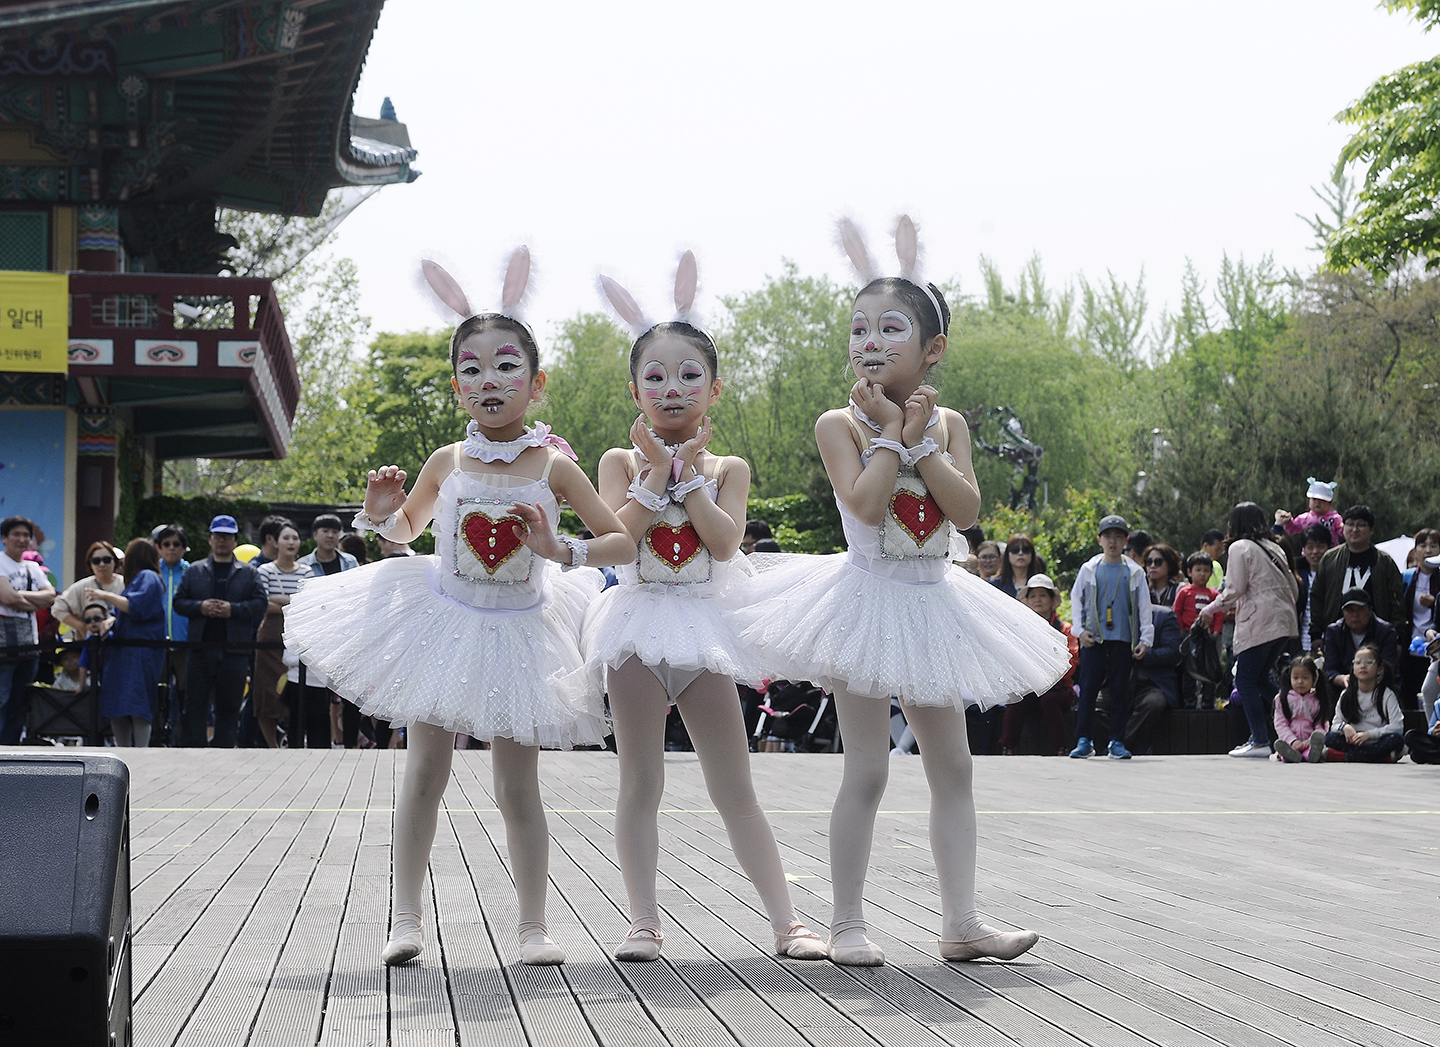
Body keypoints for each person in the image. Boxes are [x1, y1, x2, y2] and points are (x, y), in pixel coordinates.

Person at [284, 250, 636, 968]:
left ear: (536, 384)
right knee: (424, 772)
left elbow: (622, 540)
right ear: (456, 386)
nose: (489, 380)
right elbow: (406, 531)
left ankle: (534, 925)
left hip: (522, 631)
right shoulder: (447, 460)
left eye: (506, 365)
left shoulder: (555, 467)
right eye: (471, 369)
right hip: (443, 623)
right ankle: (406, 917)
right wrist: (380, 514)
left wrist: (559, 548)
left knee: (517, 785)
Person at [735, 217, 1069, 965]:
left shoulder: (948, 422)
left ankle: (962, 921)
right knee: (869, 766)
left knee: (954, 767)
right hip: (863, 603)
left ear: (933, 347)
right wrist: (887, 430)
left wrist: (921, 436)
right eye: (859, 329)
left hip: (936, 602)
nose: (871, 341)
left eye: (891, 327)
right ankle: (848, 921)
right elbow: (864, 503)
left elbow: (966, 511)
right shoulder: (838, 423)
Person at [586, 253, 827, 964]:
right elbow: (620, 537)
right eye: (655, 375)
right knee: (641, 781)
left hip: (704, 627)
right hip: (635, 624)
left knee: (733, 784)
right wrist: (656, 471)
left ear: (714, 388)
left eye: (689, 374)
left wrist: (688, 478)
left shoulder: (729, 470)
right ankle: (642, 922)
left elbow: (723, 544)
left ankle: (787, 923)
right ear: (634, 386)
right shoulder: (617, 462)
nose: (672, 387)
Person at [1199, 502, 1299, 758]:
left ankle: (1259, 740)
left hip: (1259, 621)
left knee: (1244, 679)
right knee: (1260, 679)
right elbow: (1293, 586)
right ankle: (1300, 719)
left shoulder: (1239, 547)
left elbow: (1234, 589)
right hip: (1284, 621)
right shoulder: (1274, 546)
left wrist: (1210, 610)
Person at [173, 514, 268, 747]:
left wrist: (232, 610)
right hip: (200, 648)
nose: (222, 541)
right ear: (210, 539)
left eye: (227, 537)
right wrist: (200, 607)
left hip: (234, 649)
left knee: (230, 704)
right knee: (195, 703)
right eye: (218, 536)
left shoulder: (248, 572)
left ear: (235, 541)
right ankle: (192, 748)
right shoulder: (195, 570)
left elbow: (260, 604)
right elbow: (179, 603)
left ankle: (225, 748)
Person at [1069, 514, 1154, 760]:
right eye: (1108, 537)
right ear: (1099, 540)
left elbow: (1143, 608)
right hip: (1093, 638)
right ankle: (1084, 739)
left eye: (1118, 537)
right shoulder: (1089, 569)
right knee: (1088, 690)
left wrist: (1145, 639)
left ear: (1126, 540)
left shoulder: (1135, 572)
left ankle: (1117, 740)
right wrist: (1080, 631)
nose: (1113, 542)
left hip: (1122, 638)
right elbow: (1077, 601)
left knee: (1120, 691)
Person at [85, 537, 166, 747]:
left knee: (137, 704)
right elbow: (121, 611)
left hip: (139, 653)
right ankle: (123, 750)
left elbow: (135, 606)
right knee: (116, 705)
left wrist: (104, 595)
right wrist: (108, 621)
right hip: (122, 652)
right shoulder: (139, 579)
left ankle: (140, 752)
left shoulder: (149, 577)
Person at [1308, 505, 1405, 653]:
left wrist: (1397, 636)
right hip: (1337, 634)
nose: (1355, 529)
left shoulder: (1384, 562)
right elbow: (1317, 596)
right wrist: (1316, 633)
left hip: (1376, 634)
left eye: (1361, 525)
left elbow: (1396, 600)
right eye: (1350, 524)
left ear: (1371, 530)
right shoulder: (1330, 559)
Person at [998, 574, 1077, 755]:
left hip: (1059, 689)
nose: (1037, 600)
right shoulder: (1020, 629)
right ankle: (1007, 747)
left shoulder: (1065, 628)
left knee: (1049, 700)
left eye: (1042, 595)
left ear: (1051, 600)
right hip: (1029, 688)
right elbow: (1013, 660)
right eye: (1033, 596)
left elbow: (1072, 662)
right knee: (1016, 700)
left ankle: (1062, 748)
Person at [1094, 602, 1183, 755]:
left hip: (1151, 684)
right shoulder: (1112, 617)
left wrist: (1144, 655)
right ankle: (1128, 746)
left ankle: (1119, 745)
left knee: (1154, 704)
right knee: (1092, 705)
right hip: (1118, 683)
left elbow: (1173, 653)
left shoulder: (1164, 615)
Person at [0, 516, 57, 744]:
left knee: (20, 700)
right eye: (16, 534)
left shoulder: (33, 567)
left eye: (26, 535)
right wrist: (34, 601)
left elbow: (51, 596)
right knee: (1, 698)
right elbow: (6, 597)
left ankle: (10, 748)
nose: (22, 540)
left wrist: (18, 598)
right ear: (4, 538)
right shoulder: (1, 561)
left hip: (30, 644)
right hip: (4, 645)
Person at [253, 521, 308, 748]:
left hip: (298, 636)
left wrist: (280, 600)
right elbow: (263, 604)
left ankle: (294, 742)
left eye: (295, 538)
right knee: (266, 694)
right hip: (270, 638)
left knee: (295, 694)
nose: (291, 542)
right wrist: (293, 601)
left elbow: (309, 603)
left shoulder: (307, 571)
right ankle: (272, 745)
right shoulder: (263, 570)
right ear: (275, 542)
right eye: (286, 538)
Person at [1321, 643, 1404, 762]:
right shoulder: (1346, 695)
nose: (1363, 666)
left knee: (1396, 740)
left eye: (1369, 662)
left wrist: (1369, 735)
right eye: (1358, 662)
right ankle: (1380, 758)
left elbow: (1397, 726)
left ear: (1379, 669)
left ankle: (1343, 756)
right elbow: (1335, 724)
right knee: (1330, 738)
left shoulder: (1386, 694)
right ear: (1353, 669)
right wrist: (1345, 727)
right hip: (1353, 742)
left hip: (1377, 741)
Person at [1320, 588, 1400, 691]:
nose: (1355, 615)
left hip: (1379, 687)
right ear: (1343, 612)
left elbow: (1389, 668)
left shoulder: (1386, 631)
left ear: (1370, 609)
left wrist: (1366, 681)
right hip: (1343, 689)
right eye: (1350, 610)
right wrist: (1343, 679)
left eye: (1360, 609)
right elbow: (1330, 669)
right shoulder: (1333, 631)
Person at [1399, 529, 1440, 706]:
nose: (1428, 550)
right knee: (1409, 692)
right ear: (1415, 551)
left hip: (1436, 648)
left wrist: (1434, 603)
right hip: (1412, 645)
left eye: (1433, 545)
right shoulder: (1407, 577)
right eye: (1423, 546)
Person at [53, 541, 124, 634]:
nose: (102, 564)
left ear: (115, 561)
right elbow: (57, 608)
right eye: (96, 561)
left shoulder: (126, 583)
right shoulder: (82, 587)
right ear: (90, 564)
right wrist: (81, 626)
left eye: (107, 560)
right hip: (91, 644)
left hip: (122, 642)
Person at [1272, 655, 1332, 763]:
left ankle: (1313, 754)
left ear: (1314, 678)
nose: (1300, 681)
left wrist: (1311, 740)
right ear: (1290, 677)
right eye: (1295, 678)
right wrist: (1292, 740)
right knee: (1286, 751)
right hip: (1290, 743)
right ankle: (1289, 755)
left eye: (1305, 678)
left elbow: (1321, 724)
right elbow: (1280, 723)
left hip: (1309, 743)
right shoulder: (1282, 699)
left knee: (1310, 752)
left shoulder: (1318, 699)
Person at [1295, 523, 1332, 653]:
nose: (1315, 551)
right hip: (1302, 641)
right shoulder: (1298, 576)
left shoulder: (1336, 576)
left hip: (1330, 642)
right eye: (1310, 547)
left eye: (1321, 546)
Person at [1274, 477, 1343, 547]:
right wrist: (1288, 521)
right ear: (1309, 501)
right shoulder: (1303, 518)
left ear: (1330, 504)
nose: (1318, 502)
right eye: (1314, 499)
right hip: (1309, 554)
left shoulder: (1335, 519)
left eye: (1322, 500)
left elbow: (1343, 532)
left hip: (1331, 553)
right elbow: (1292, 529)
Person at [1174, 552, 1223, 634]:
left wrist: (1216, 631)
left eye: (1206, 570)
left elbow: (1219, 615)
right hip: (1188, 632)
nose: (1202, 574)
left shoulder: (1214, 594)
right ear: (1189, 572)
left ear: (1211, 573)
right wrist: (1180, 629)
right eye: (1198, 570)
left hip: (1208, 633)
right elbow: (1177, 611)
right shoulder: (1184, 592)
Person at [989, 532, 1046, 599]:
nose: (1020, 553)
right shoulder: (995, 584)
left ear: (1032, 555)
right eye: (1015, 550)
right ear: (1007, 555)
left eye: (1026, 550)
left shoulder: (1041, 583)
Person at [1142, 543, 1183, 608]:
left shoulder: (1179, 590)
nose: (1152, 566)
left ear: (1169, 565)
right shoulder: (1141, 588)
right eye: (1149, 561)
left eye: (1158, 562)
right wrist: (1148, 590)